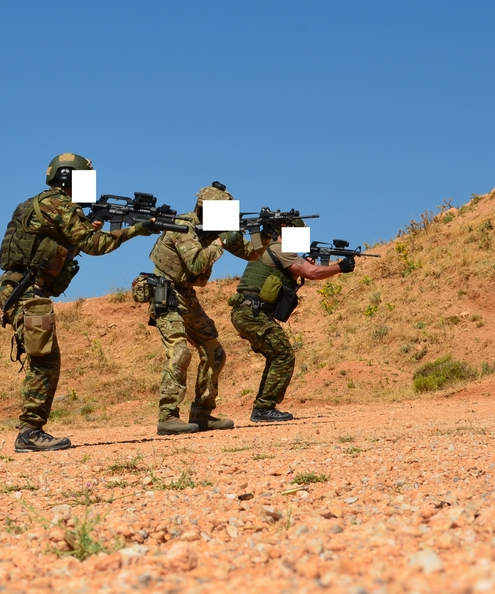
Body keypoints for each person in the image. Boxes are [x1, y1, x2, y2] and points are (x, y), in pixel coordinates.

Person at [0, 153, 156, 453]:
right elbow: (95, 245)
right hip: (25, 289)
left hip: (22, 287)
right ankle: (30, 432)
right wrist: (136, 229)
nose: (89, 186)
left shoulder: (44, 203)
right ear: (68, 178)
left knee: (44, 357)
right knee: (45, 359)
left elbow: (67, 238)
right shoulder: (57, 204)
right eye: (85, 179)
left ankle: (31, 430)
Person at [143, 182, 265, 435]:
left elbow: (252, 253)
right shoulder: (182, 227)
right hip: (164, 292)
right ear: (202, 209)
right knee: (179, 352)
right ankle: (168, 417)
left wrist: (263, 233)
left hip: (186, 295)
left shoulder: (216, 228)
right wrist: (220, 242)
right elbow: (196, 263)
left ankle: (202, 413)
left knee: (214, 352)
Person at [230, 220, 353, 422]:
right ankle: (263, 408)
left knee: (277, 354)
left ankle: (263, 406)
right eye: (300, 232)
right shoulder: (280, 249)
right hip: (252, 313)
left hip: (249, 312)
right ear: (286, 232)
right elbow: (312, 273)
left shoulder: (270, 248)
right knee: (283, 354)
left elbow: (286, 278)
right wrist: (340, 267)